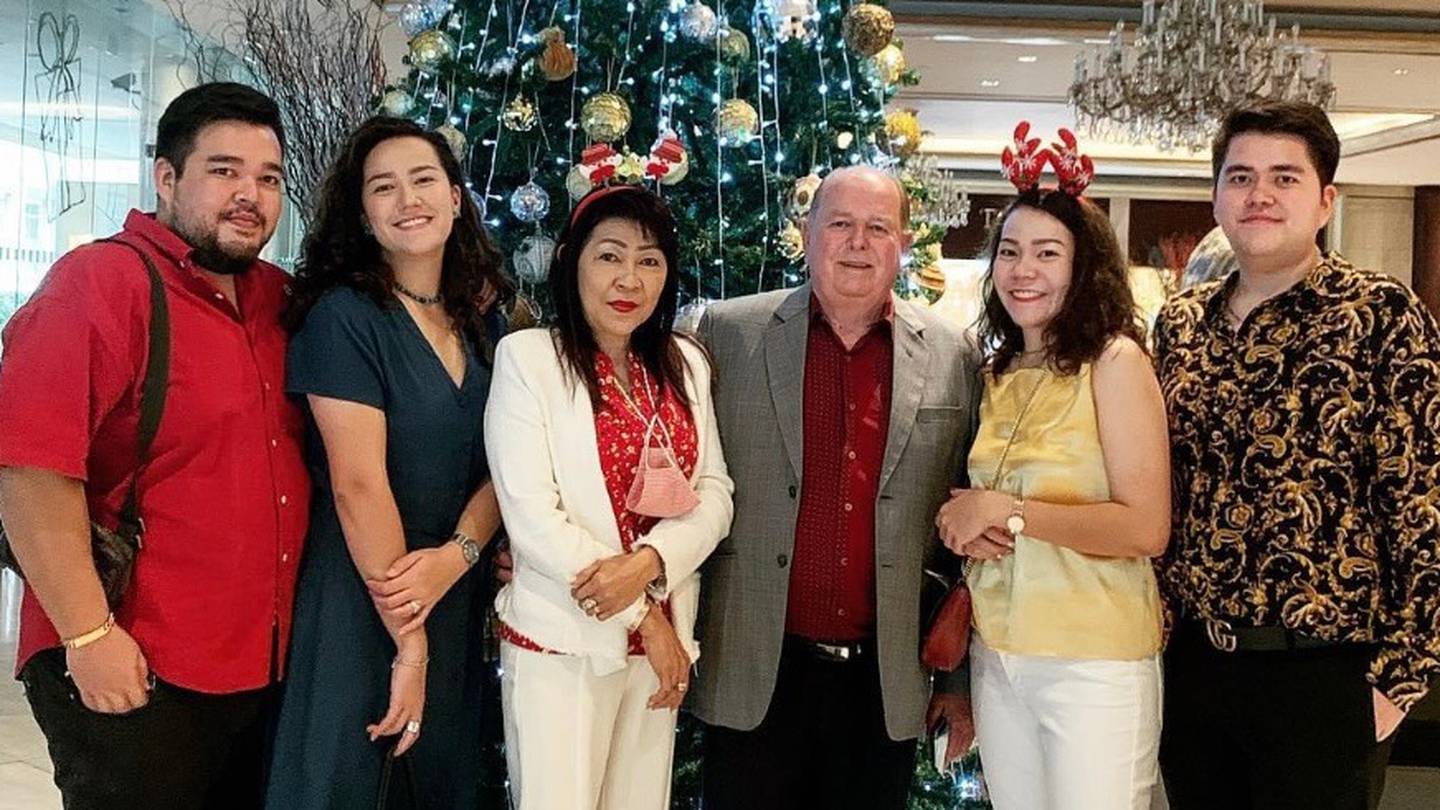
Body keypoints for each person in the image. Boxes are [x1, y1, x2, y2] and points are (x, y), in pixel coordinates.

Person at [0, 82, 307, 808]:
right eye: (224, 171)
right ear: (166, 178)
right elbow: (29, 470)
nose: (250, 195)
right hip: (137, 658)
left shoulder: (278, 299)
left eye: (268, 178)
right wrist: (87, 637)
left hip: (259, 665)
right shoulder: (100, 284)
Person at [1155, 100, 1440, 809]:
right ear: (1216, 195)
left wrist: (1398, 680)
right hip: (1195, 666)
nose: (1260, 194)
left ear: (1325, 200)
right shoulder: (1180, 325)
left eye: (1285, 178)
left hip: (1326, 674)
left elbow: (1425, 504)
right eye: (1241, 176)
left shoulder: (1381, 315)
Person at [691, 165, 981, 810]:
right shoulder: (726, 334)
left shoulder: (954, 355)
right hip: (753, 666)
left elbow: (965, 533)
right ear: (807, 233)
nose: (858, 242)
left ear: (903, 243)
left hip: (884, 680)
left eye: (878, 227)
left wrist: (956, 679)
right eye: (840, 224)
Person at [262, 117, 509, 808]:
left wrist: (457, 557)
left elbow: (510, 463)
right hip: (366, 593)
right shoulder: (343, 317)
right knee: (347, 780)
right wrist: (411, 644)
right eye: (384, 187)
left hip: (453, 592)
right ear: (364, 215)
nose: (408, 200)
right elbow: (357, 485)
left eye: (424, 179)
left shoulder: (485, 322)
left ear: (457, 198)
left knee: (440, 782)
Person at [935, 128, 1170, 810]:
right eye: (1009, 252)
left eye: (1046, 253)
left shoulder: (1116, 362)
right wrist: (966, 524)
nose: (1022, 270)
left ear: (1083, 266)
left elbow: (1147, 527)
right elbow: (985, 506)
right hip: (999, 653)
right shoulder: (999, 370)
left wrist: (1006, 512)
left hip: (1092, 659)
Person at [485, 184, 733, 809]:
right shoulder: (529, 359)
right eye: (610, 256)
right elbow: (532, 518)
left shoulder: (684, 363)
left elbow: (715, 492)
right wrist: (644, 617)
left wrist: (652, 567)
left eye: (649, 260)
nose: (630, 279)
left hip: (661, 646)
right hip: (565, 640)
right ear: (572, 261)